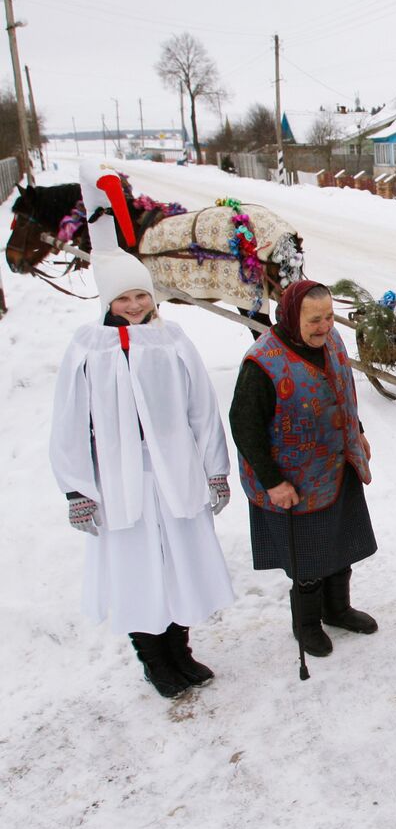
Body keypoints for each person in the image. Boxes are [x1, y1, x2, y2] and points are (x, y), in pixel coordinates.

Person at [50, 243, 236, 699]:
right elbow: (69, 421)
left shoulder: (172, 339)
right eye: (123, 298)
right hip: (120, 481)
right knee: (138, 569)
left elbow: (202, 409)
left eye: (141, 295)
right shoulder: (88, 347)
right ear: (106, 302)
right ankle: (154, 659)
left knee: (180, 566)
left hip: (175, 474)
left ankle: (181, 651)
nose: (133, 305)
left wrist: (215, 469)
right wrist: (78, 491)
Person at [229, 280, 378, 660]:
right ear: (291, 317)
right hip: (294, 480)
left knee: (341, 544)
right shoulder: (262, 363)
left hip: (336, 466)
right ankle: (307, 624)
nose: (324, 326)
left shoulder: (332, 342)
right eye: (314, 320)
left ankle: (338, 609)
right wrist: (273, 482)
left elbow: (343, 390)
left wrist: (356, 432)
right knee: (308, 559)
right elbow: (244, 428)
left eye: (329, 316)